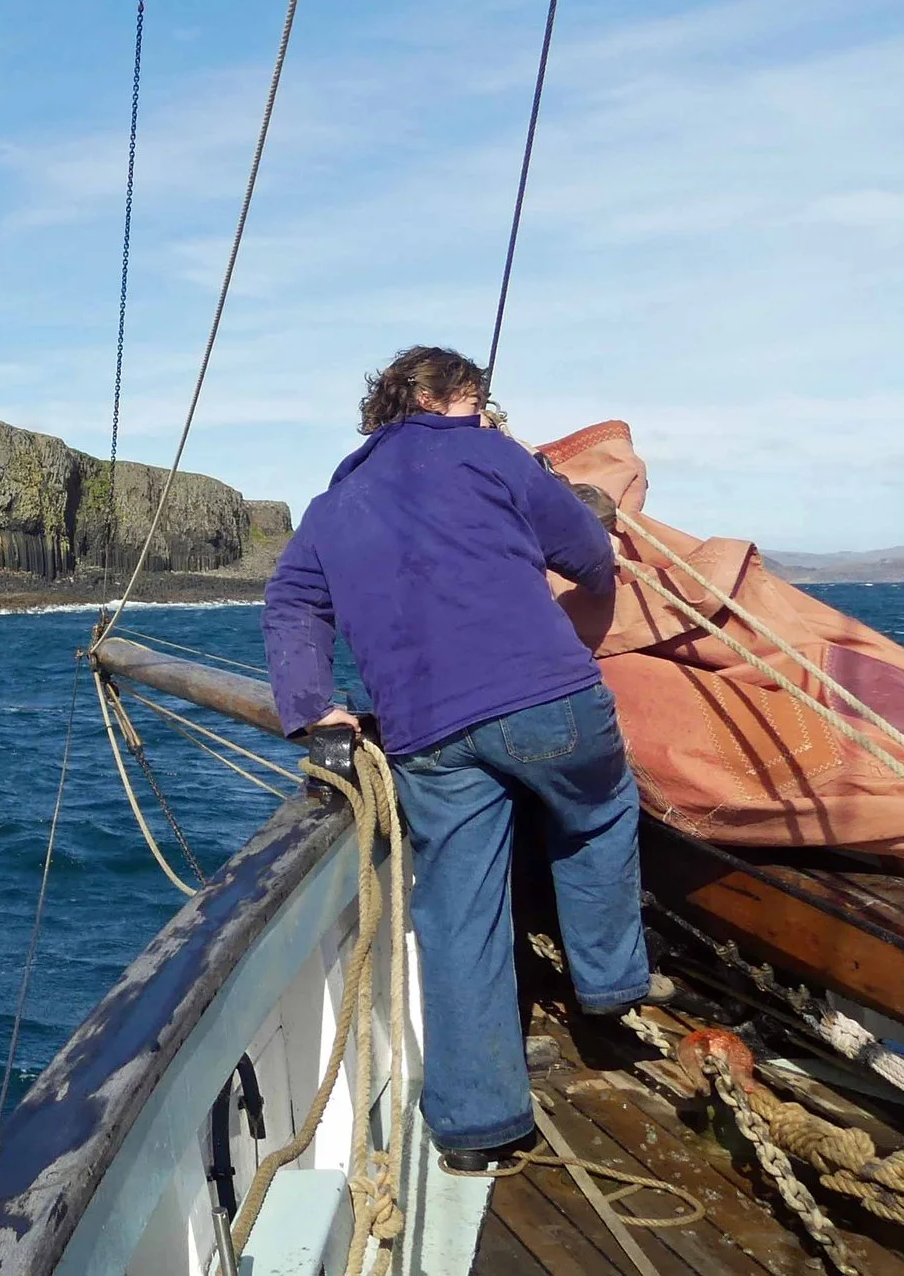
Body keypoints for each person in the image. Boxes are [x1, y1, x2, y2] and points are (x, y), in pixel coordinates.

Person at [262, 345, 651, 1174]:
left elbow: (292, 601)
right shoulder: (489, 451)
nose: (488, 414)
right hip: (549, 704)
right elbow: (587, 553)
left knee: (459, 910)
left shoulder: (332, 506)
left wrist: (314, 707)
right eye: (482, 402)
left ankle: (478, 1132)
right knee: (597, 812)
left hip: (427, 739)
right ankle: (611, 991)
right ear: (451, 397)